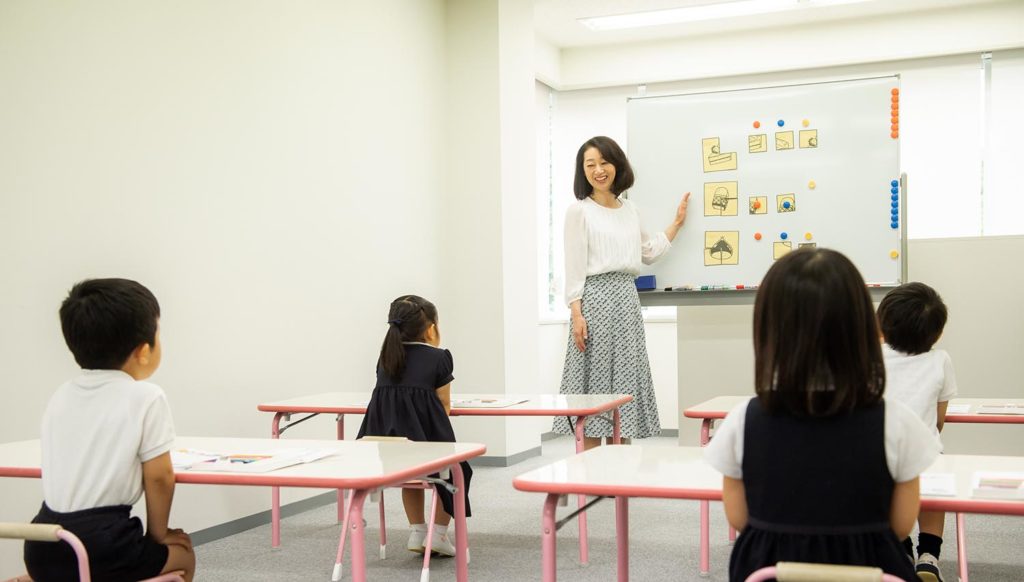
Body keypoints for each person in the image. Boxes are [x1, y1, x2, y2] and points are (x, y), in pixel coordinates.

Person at [703, 248, 940, 581]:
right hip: (871, 569)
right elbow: (901, 524)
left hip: (767, 571)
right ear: (864, 330)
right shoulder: (897, 421)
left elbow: (739, 517)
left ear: (769, 332)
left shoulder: (743, 420)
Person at [24, 278, 194, 581]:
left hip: (42, 540)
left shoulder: (61, 395)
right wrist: (159, 534)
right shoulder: (146, 396)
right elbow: (160, 477)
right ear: (144, 351)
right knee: (183, 555)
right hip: (103, 545)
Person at [553, 135, 690, 449]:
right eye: (590, 165)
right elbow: (573, 264)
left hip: (627, 301)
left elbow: (648, 251)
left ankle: (618, 474)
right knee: (592, 390)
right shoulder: (579, 212)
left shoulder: (631, 210)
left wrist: (677, 224)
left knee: (623, 388)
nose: (598, 170)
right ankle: (587, 475)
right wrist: (576, 312)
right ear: (582, 171)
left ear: (617, 165)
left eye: (604, 162)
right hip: (594, 301)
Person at [356, 295, 472, 557]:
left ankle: (418, 530)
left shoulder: (386, 358)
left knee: (411, 473)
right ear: (431, 327)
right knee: (457, 472)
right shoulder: (439, 357)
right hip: (425, 445)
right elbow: (444, 405)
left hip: (387, 450)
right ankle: (439, 534)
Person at [878, 282, 957, 582]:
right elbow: (938, 420)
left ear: (882, 324)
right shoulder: (941, 360)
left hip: (879, 454)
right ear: (936, 333)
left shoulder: (870, 357)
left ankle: (902, 550)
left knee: (885, 497)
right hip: (925, 453)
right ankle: (929, 556)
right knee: (933, 497)